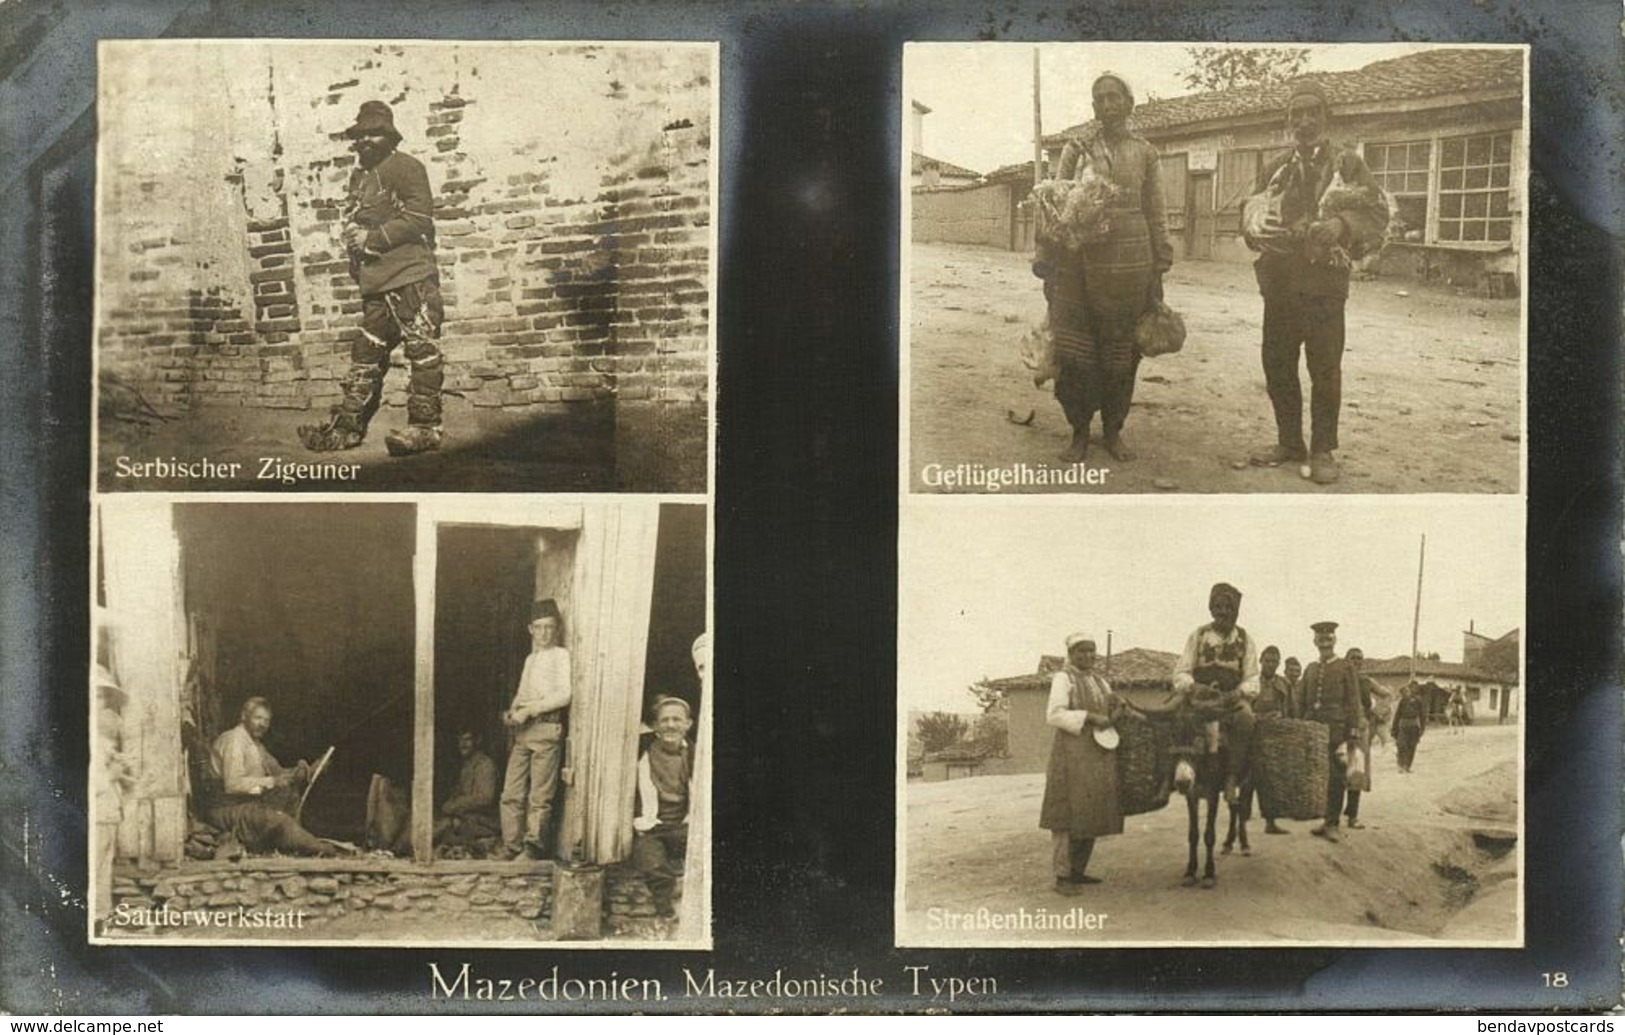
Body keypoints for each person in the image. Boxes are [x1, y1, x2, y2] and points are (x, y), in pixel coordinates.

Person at [1244, 80, 1389, 485]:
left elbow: (1378, 215)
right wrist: (1256, 226)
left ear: (1327, 117)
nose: (1305, 121)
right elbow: (1251, 217)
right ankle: (1289, 442)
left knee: (1324, 368)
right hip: (1280, 283)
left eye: (1313, 112)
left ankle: (1323, 449)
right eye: (1297, 114)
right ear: (1288, 121)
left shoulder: (1348, 166)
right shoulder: (1275, 168)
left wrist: (1342, 224)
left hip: (1325, 285)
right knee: (1277, 364)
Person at [1037, 72, 1174, 464]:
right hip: (1078, 265)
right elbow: (1052, 204)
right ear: (1093, 107)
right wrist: (1046, 257)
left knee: (1121, 353)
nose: (1108, 105)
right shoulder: (1077, 149)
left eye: (1115, 97)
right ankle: (1079, 432)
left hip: (1131, 265)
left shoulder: (1145, 153)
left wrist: (1159, 265)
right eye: (1100, 99)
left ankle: (1113, 431)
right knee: (1076, 352)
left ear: (1129, 104)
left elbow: (1157, 213)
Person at [299, 100, 446, 456]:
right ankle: (347, 428)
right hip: (377, 283)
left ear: (390, 135)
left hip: (410, 278)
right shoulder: (360, 176)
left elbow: (419, 219)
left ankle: (425, 429)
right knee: (365, 354)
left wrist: (372, 238)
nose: (366, 140)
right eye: (361, 134)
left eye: (375, 133)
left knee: (422, 351)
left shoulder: (407, 167)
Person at [1039, 635, 1128, 893]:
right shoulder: (1063, 679)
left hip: (1096, 752)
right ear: (1071, 653)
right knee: (1066, 813)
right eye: (1082, 651)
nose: (1088, 656)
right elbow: (1054, 715)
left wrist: (1118, 709)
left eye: (1092, 651)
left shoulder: (1100, 682)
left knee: (1090, 809)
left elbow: (1111, 708)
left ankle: (1078, 871)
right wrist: (1089, 716)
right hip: (1070, 754)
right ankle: (1062, 876)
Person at [206, 697, 340, 856]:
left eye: (266, 721)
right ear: (244, 716)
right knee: (278, 821)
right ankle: (320, 849)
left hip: (247, 804)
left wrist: (307, 770)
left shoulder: (256, 745)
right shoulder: (234, 740)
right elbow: (233, 784)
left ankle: (297, 843)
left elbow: (281, 775)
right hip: (226, 809)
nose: (262, 724)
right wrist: (273, 781)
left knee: (289, 795)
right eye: (258, 718)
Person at [497, 598, 573, 861]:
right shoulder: (531, 659)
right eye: (539, 628)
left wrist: (531, 709)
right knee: (511, 792)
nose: (544, 633)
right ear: (531, 629)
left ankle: (532, 848)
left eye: (550, 627)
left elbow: (565, 695)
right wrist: (513, 709)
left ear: (557, 629)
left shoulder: (561, 656)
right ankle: (511, 846)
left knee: (540, 795)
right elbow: (522, 693)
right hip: (524, 732)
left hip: (546, 727)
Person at [1171, 582, 1260, 804]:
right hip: (1200, 698)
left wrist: (1238, 693)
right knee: (1177, 716)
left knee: (1246, 719)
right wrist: (1194, 687)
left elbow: (1252, 677)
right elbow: (1181, 672)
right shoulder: (1198, 635)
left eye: (1228, 608)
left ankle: (1231, 778)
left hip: (1232, 699)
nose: (1223, 612)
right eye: (1218, 607)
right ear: (1211, 609)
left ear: (1236, 611)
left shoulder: (1245, 639)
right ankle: (1174, 776)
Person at [1299, 623, 1363, 842]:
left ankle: (1333, 823)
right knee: (1319, 775)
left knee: (1336, 775)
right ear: (1314, 641)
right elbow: (1301, 700)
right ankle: (1325, 820)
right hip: (1313, 728)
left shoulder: (1345, 667)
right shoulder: (1310, 668)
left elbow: (1353, 701)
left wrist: (1352, 731)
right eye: (1320, 637)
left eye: (1328, 636)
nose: (1324, 640)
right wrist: (1300, 725)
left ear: (1334, 640)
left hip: (1337, 728)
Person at [633, 697, 694, 919]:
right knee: (651, 862)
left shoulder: (697, 755)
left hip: (686, 828)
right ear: (656, 726)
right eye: (664, 720)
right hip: (653, 828)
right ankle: (665, 916)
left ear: (688, 724)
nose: (670, 725)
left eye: (677, 720)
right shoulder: (642, 753)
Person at [1250, 645, 1294, 835]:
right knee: (1249, 777)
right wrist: (1256, 717)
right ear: (1261, 661)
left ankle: (1271, 821)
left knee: (1271, 778)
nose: (1271, 664)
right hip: (1252, 734)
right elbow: (1243, 706)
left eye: (1275, 661)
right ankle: (1241, 821)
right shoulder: (1251, 683)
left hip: (1276, 735)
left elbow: (1292, 710)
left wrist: (1287, 725)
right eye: (1267, 660)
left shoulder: (1284, 684)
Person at [434, 730, 501, 849]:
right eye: (460, 740)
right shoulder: (467, 765)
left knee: (446, 825)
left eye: (467, 739)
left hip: (485, 822)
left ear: (477, 741)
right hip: (468, 818)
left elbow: (485, 798)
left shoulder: (485, 765)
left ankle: (405, 849)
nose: (462, 744)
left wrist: (454, 805)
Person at [1342, 647, 1379, 829]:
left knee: (1356, 771)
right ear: (1346, 659)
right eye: (1353, 658)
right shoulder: (1338, 678)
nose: (1356, 661)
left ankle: (1352, 816)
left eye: (1359, 658)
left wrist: (1374, 714)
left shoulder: (1365, 681)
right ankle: (1332, 814)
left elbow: (1387, 695)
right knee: (1337, 771)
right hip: (1339, 729)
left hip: (1359, 729)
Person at [1391, 683, 1427, 773]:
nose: (1406, 693)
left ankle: (1407, 766)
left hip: (1414, 726)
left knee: (1412, 746)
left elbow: (1422, 716)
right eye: (1404, 692)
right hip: (1403, 725)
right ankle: (1401, 765)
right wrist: (1394, 729)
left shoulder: (1418, 701)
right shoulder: (1402, 702)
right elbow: (1397, 715)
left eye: (1407, 691)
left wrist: (1422, 728)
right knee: (1402, 745)